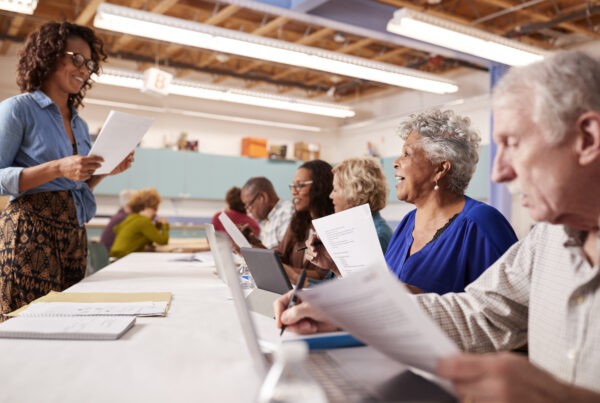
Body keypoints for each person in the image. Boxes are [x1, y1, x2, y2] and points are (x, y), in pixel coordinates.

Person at [274, 51, 600, 401]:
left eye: (512, 143)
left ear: (587, 139)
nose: (499, 172)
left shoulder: (481, 223)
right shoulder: (548, 239)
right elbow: (478, 314)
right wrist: (350, 314)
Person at [0, 22, 134, 316]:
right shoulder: (18, 109)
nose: (84, 69)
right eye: (77, 58)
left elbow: (75, 186)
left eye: (90, 63)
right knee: (28, 324)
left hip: (73, 234)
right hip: (30, 232)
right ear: (49, 54)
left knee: (68, 322)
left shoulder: (80, 124)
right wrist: (58, 167)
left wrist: (103, 172)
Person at [310, 110, 517, 293]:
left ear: (440, 168)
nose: (396, 163)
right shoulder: (408, 223)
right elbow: (381, 293)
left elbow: (508, 314)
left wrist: (416, 299)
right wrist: (337, 266)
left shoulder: (482, 224)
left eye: (407, 154)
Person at [276, 160, 334, 285]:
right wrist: (254, 246)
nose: (293, 192)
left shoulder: (333, 227)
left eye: (301, 185)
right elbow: (281, 254)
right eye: (293, 186)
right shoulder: (299, 221)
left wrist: (285, 270)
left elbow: (323, 275)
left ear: (320, 187)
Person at [110, 188, 169, 258]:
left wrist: (157, 227)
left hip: (115, 257)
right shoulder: (144, 221)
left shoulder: (132, 217)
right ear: (147, 207)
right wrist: (165, 224)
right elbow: (163, 241)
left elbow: (148, 240)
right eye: (155, 209)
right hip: (124, 258)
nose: (156, 213)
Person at [240, 177, 294, 249]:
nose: (248, 210)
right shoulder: (264, 216)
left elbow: (282, 256)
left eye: (249, 204)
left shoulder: (287, 213)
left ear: (263, 197)